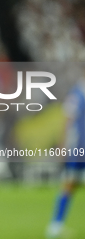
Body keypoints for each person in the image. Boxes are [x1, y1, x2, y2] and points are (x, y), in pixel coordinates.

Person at [46, 73, 85, 238]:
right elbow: (67, 121)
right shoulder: (77, 93)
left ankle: (56, 225)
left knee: (69, 185)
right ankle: (55, 225)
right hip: (78, 149)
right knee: (69, 185)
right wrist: (63, 147)